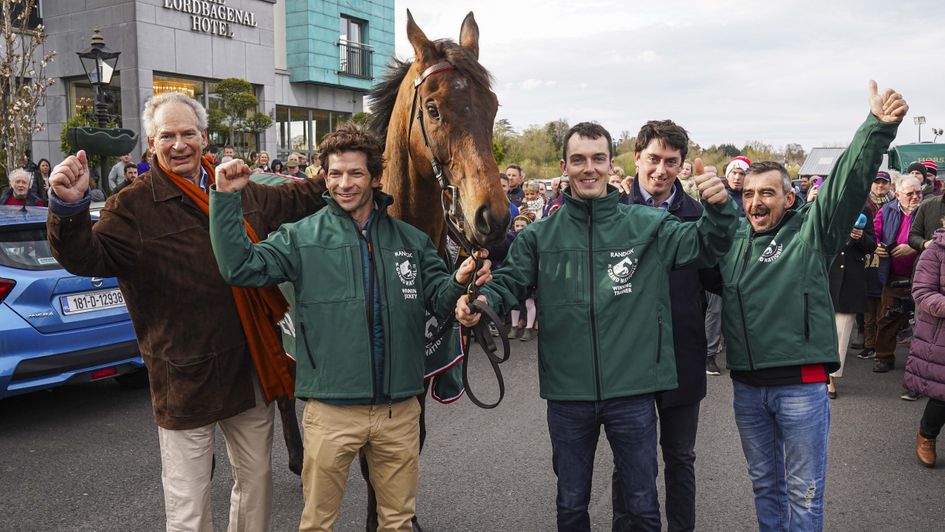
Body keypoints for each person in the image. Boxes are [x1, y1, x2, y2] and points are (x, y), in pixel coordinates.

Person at [45, 91, 328, 532]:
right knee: (188, 507)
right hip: (184, 377)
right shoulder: (131, 207)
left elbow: (297, 200)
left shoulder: (237, 188)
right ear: (152, 143)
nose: (179, 145)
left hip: (248, 365)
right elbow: (85, 257)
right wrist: (68, 208)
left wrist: (354, 165)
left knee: (256, 488)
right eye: (167, 136)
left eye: (188, 133)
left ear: (204, 136)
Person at [207, 123, 490, 532]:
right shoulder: (300, 237)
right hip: (330, 412)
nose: (344, 184)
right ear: (324, 175)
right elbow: (239, 267)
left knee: (397, 521)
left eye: (356, 173)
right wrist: (227, 200)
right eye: (335, 173)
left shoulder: (410, 240)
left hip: (399, 411)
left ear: (375, 178)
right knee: (318, 523)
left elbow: (439, 299)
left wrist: (460, 281)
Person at [457, 121, 738, 531]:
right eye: (578, 160)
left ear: (612, 164)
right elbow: (509, 283)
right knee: (571, 505)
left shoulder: (648, 226)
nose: (588, 168)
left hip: (633, 393)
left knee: (642, 507)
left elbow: (707, 244)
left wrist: (719, 208)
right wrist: (480, 304)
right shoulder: (539, 235)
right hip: (568, 396)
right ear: (564, 165)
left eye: (597, 159)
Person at [717, 81, 906, 531]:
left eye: (767, 193)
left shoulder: (811, 232)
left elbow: (845, 183)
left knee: (804, 494)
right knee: (765, 485)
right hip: (747, 388)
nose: (756, 201)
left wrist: (875, 129)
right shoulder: (733, 239)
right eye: (749, 194)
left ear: (789, 197)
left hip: (800, 388)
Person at [613, 119, 723, 532]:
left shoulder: (698, 215)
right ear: (637, 157)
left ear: (682, 165)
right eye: (654, 159)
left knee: (680, 457)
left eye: (671, 161)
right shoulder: (611, 211)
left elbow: (716, 281)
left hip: (681, 357)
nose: (660, 170)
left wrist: (722, 218)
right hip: (626, 362)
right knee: (629, 461)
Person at [904, 217, 945, 468]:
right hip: (941, 334)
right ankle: (927, 435)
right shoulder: (936, 251)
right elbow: (922, 292)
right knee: (942, 394)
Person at [873, 174, 923, 373]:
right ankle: (884, 356)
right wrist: (876, 245)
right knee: (887, 316)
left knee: (922, 321)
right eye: (909, 193)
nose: (915, 197)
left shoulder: (928, 209)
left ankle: (920, 361)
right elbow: (875, 231)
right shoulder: (887, 209)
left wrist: (915, 247)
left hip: (922, 274)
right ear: (897, 194)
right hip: (893, 273)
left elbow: (935, 236)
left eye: (918, 192)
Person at [827, 206, 876, 398]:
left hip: (850, 281)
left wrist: (859, 237)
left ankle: (830, 377)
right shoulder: (823, 204)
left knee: (841, 332)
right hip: (824, 276)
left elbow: (871, 246)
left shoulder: (863, 210)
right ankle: (814, 372)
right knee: (819, 329)